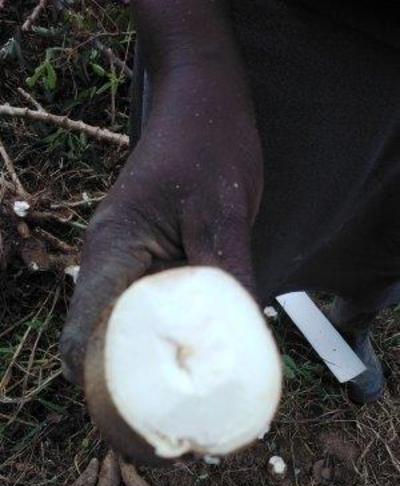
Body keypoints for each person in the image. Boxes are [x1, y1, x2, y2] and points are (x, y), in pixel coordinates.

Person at [60, 0, 400, 404]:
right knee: (234, 250)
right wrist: (192, 62)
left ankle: (352, 323)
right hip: (288, 45)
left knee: (385, 250)